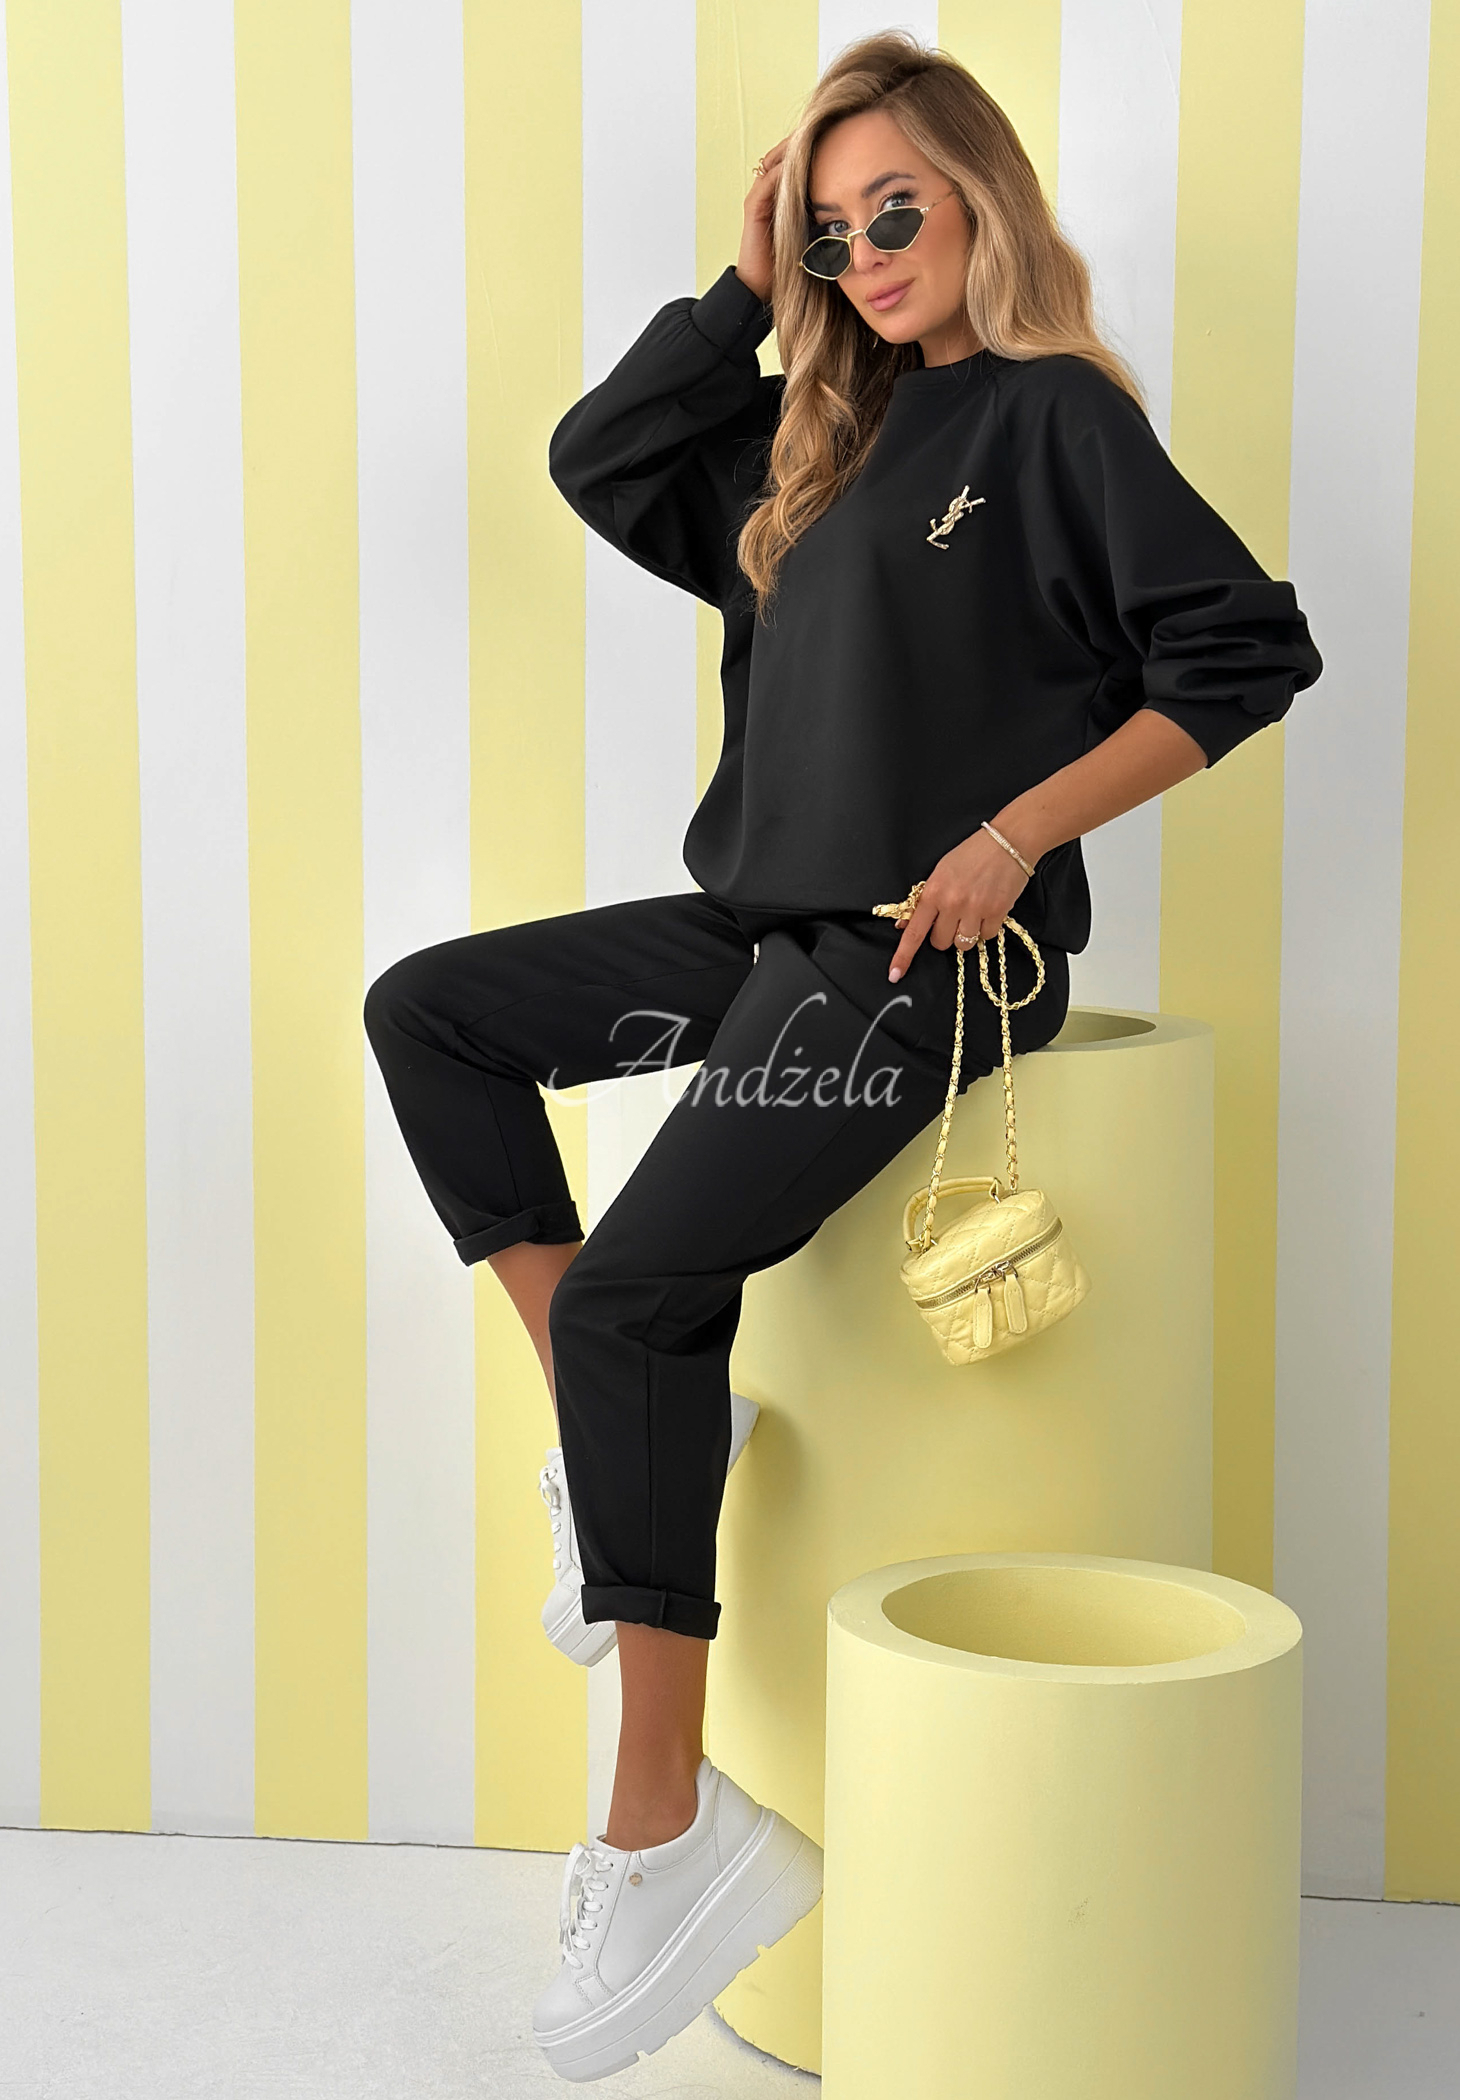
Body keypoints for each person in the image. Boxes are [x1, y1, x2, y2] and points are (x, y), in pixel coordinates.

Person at [364, 30, 1321, 2084]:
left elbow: (1245, 651)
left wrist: (1014, 837)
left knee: (640, 1294)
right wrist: (742, 290)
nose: (867, 252)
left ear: (981, 199)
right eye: (829, 229)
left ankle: (665, 1822)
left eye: (896, 211)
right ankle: (619, 1441)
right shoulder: (819, 443)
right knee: (429, 1014)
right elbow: (604, 457)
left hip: (921, 957)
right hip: (758, 935)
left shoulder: (1055, 419)